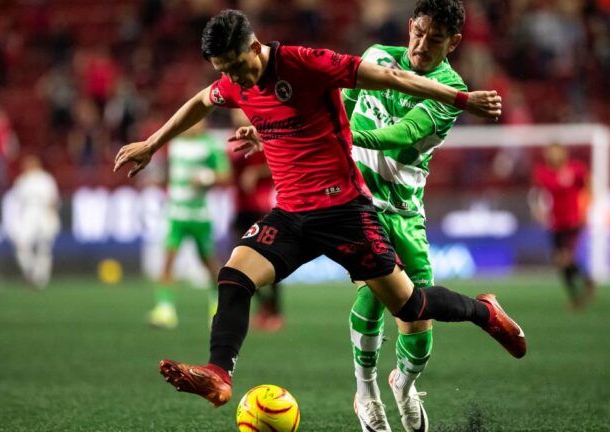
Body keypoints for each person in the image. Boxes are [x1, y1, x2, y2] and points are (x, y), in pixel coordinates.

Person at [114, 9, 523, 410]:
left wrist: (462, 98)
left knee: (411, 307)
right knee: (234, 275)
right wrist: (152, 143)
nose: (235, 78)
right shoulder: (235, 82)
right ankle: (219, 375)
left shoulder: (304, 63)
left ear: (254, 47)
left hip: (345, 211)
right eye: (225, 69)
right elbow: (202, 101)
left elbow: (392, 77)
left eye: (237, 66)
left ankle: (482, 311)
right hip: (292, 215)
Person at [341, 1, 478, 430]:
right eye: (418, 32)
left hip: (405, 210)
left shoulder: (450, 88)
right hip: (359, 204)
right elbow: (342, 103)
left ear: (452, 42)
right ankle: (365, 394)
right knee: (372, 291)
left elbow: (402, 136)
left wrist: (346, 138)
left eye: (435, 38)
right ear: (410, 26)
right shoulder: (376, 57)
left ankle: (403, 382)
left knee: (418, 317)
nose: (421, 44)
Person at [148, 119, 230, 329]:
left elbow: (225, 175)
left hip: (199, 214)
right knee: (168, 260)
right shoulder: (173, 143)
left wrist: (206, 177)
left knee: (209, 262)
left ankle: (217, 305)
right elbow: (167, 172)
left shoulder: (210, 145)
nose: (194, 125)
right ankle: (165, 310)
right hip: (176, 213)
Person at [227, 110, 282, 332]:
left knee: (270, 262)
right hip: (240, 208)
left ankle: (275, 311)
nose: (238, 117)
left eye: (242, 113)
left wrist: (256, 173)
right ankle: (264, 306)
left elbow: (278, 163)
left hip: (261, 208)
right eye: (235, 114)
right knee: (237, 263)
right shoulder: (232, 140)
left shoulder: (263, 138)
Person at [530, 143, 595, 310]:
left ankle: (580, 293)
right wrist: (537, 210)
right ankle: (583, 285)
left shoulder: (575, 169)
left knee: (565, 258)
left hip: (573, 221)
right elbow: (536, 194)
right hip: (555, 223)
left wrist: (586, 208)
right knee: (560, 262)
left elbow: (588, 187)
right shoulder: (544, 173)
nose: (552, 157)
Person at [6, 155, 60, 288]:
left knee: (44, 247)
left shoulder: (46, 179)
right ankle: (30, 270)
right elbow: (15, 203)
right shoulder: (22, 181)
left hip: (44, 213)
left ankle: (41, 277)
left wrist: (51, 216)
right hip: (28, 214)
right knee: (22, 243)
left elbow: (53, 199)